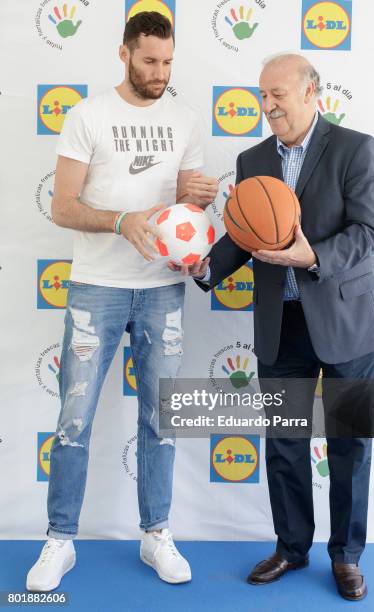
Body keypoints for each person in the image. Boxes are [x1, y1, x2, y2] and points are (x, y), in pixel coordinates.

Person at [177, 53, 374, 600]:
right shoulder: (251, 159)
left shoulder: (354, 147)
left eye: (278, 94)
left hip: (347, 321)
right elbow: (243, 233)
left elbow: (367, 233)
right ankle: (291, 548)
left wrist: (310, 257)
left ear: (311, 92)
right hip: (282, 324)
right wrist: (206, 266)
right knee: (285, 442)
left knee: (350, 443)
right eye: (262, 95)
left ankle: (346, 556)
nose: (268, 105)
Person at [26, 11, 217, 591]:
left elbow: (186, 216)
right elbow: (62, 207)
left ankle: (155, 533)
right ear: (124, 54)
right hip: (96, 288)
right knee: (73, 420)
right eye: (149, 61)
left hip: (162, 288)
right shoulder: (88, 116)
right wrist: (120, 220)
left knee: (161, 419)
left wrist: (196, 203)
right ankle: (60, 539)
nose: (160, 72)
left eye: (167, 62)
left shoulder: (185, 119)